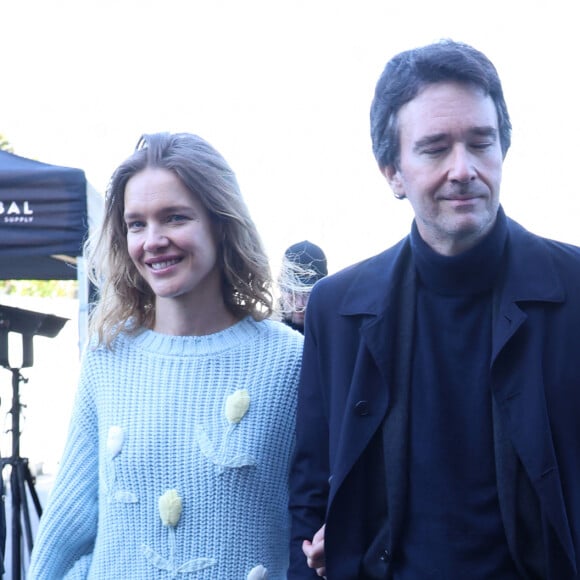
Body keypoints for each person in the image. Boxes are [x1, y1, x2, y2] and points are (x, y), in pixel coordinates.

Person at [288, 39, 580, 579]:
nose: (463, 168)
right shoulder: (338, 310)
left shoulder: (574, 289)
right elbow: (311, 493)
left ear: (502, 150)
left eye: (480, 142)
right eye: (435, 148)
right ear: (392, 172)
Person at [28, 132, 304, 579]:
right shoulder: (108, 358)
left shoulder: (291, 361)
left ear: (220, 223)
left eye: (174, 218)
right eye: (136, 224)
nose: (152, 241)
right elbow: (69, 523)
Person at [279, 240, 328, 334]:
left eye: (308, 293)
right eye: (292, 292)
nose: (300, 304)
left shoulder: (335, 338)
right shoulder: (265, 338)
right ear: (281, 290)